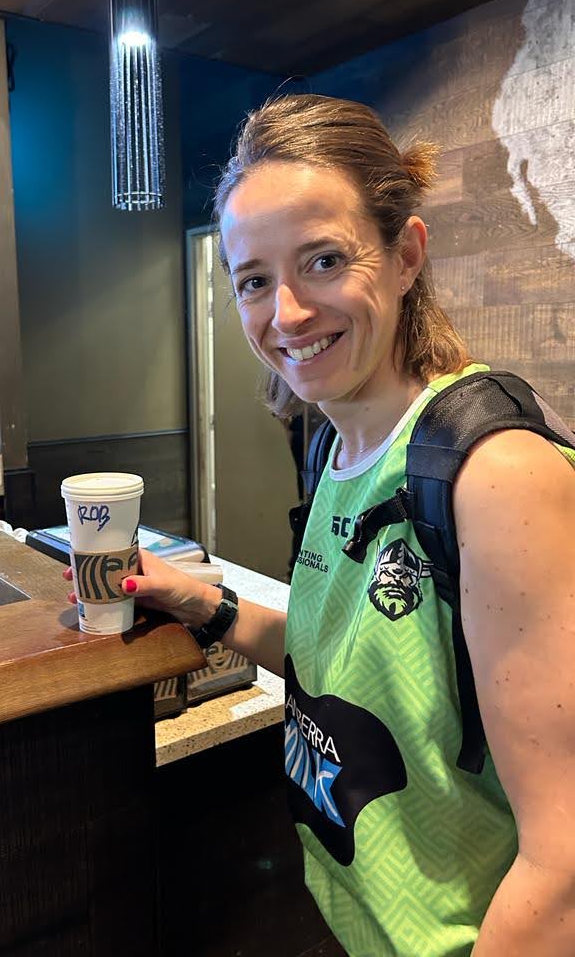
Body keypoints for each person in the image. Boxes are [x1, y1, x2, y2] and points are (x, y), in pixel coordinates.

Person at [65, 95, 575, 957]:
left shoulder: (493, 473)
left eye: (325, 260)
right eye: (254, 281)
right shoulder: (334, 446)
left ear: (406, 256)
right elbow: (349, 670)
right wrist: (207, 607)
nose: (288, 314)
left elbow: (563, 862)